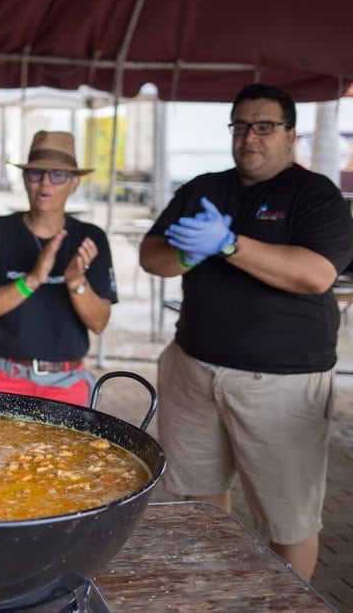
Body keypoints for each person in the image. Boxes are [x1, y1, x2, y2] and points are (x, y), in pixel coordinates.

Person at [139, 83, 353, 582]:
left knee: (287, 517)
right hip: (193, 369)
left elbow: (316, 274)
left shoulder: (315, 194)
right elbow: (152, 256)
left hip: (281, 385)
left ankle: (287, 604)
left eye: (264, 127)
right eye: (240, 126)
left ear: (290, 135)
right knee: (199, 501)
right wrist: (186, 254)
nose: (249, 137)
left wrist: (230, 244)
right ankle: (215, 591)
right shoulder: (204, 187)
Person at [0, 130, 116, 404]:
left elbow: (98, 323)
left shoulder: (90, 238)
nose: (45, 183)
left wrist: (76, 283)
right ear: (25, 180)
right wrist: (32, 279)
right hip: (1, 377)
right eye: (35, 174)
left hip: (66, 381)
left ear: (74, 183)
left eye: (57, 175)